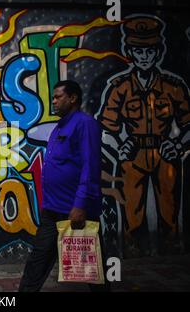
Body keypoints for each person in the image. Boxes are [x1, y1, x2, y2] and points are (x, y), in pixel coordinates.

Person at [97, 15, 190, 257]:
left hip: (165, 152)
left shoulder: (174, 86)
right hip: (133, 153)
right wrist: (120, 146)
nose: (145, 57)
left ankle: (170, 252)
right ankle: (133, 251)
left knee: (170, 211)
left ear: (158, 52)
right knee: (132, 211)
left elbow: (189, 123)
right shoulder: (121, 87)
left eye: (150, 51)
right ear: (130, 52)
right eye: (139, 51)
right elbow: (106, 127)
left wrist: (179, 145)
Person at [18, 80, 109, 292]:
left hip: (75, 210)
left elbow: (90, 166)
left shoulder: (84, 124)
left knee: (92, 269)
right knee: (37, 262)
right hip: (52, 209)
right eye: (54, 98)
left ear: (73, 98)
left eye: (58, 97)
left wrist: (80, 205)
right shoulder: (59, 127)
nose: (54, 101)